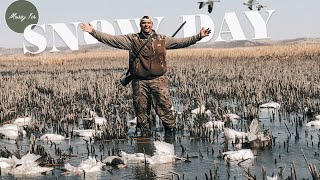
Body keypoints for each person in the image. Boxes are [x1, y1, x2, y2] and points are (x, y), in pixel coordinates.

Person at [80, 16, 211, 136]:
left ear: (152, 24)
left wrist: (198, 36)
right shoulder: (132, 40)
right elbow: (111, 40)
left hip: (158, 80)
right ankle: (144, 136)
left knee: (164, 107)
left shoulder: (162, 39)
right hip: (139, 82)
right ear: (140, 25)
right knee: (141, 109)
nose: (146, 25)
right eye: (143, 23)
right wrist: (93, 31)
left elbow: (181, 42)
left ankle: (170, 133)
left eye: (148, 23)